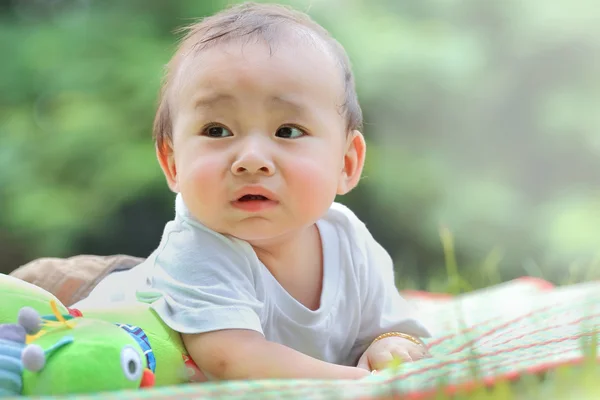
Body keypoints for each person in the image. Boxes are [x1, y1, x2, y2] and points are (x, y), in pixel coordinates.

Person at [75, 2, 431, 381]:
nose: (251, 160)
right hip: (90, 294)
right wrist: (364, 383)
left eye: (288, 131)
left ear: (346, 163)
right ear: (173, 163)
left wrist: (387, 345)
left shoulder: (350, 240)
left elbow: (393, 330)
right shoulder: (198, 248)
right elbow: (233, 359)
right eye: (217, 130)